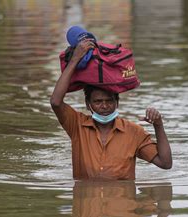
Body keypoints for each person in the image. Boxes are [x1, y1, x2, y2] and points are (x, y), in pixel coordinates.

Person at [50, 40, 172, 180]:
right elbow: (56, 102)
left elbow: (165, 163)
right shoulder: (77, 126)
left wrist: (158, 125)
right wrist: (75, 60)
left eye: (109, 101)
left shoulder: (134, 132)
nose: (104, 106)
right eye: (98, 102)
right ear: (88, 103)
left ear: (117, 102)